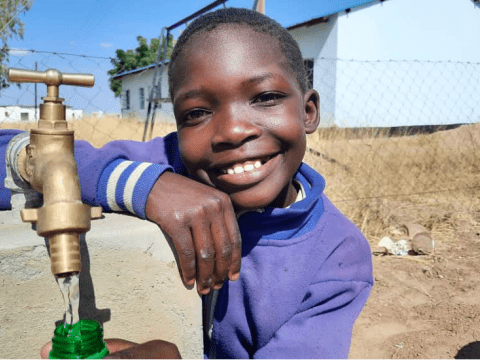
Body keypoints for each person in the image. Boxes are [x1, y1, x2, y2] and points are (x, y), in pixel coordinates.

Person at [1, 8, 373, 359]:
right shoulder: (167, 163)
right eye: (197, 113)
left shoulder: (337, 255)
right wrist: (150, 187)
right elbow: (23, 154)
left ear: (308, 112)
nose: (232, 131)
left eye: (265, 98)